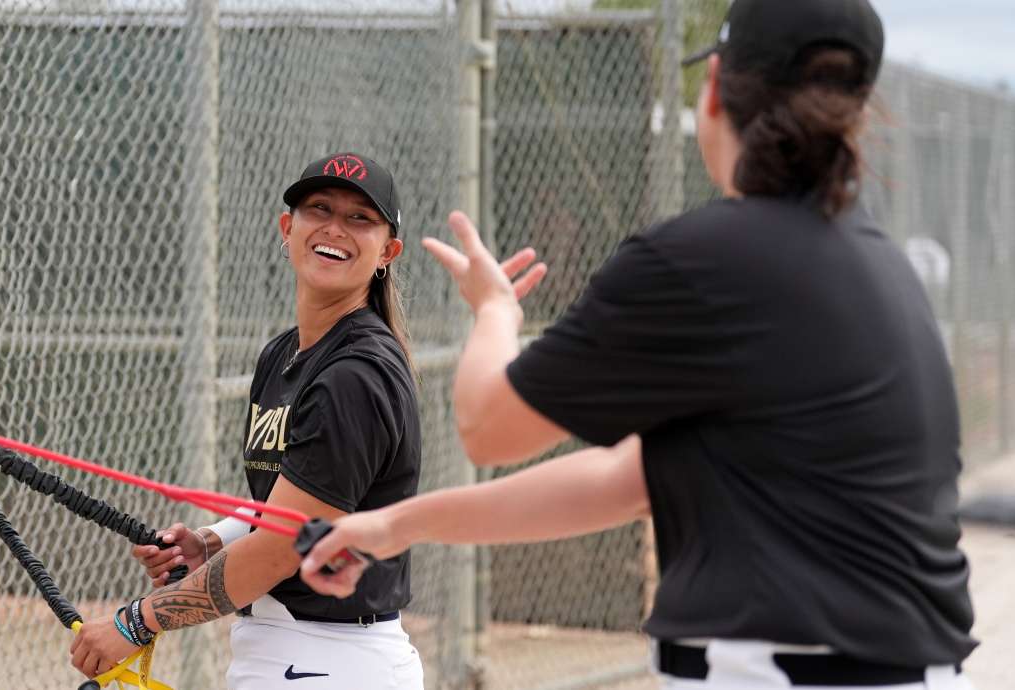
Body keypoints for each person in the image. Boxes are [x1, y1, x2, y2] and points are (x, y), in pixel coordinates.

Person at [301, 2, 979, 689]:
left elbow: (487, 426)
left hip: (781, 671)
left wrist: (496, 312)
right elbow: (625, 481)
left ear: (714, 88)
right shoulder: (876, 266)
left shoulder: (707, 258)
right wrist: (396, 525)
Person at [70, 152, 424, 689]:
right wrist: (212, 541)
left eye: (360, 218)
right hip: (285, 655)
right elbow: (289, 499)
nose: (334, 228)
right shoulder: (283, 355)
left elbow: (284, 546)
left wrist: (135, 621)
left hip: (330, 660)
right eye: (318, 209)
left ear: (387, 252)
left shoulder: (354, 374)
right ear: (288, 228)